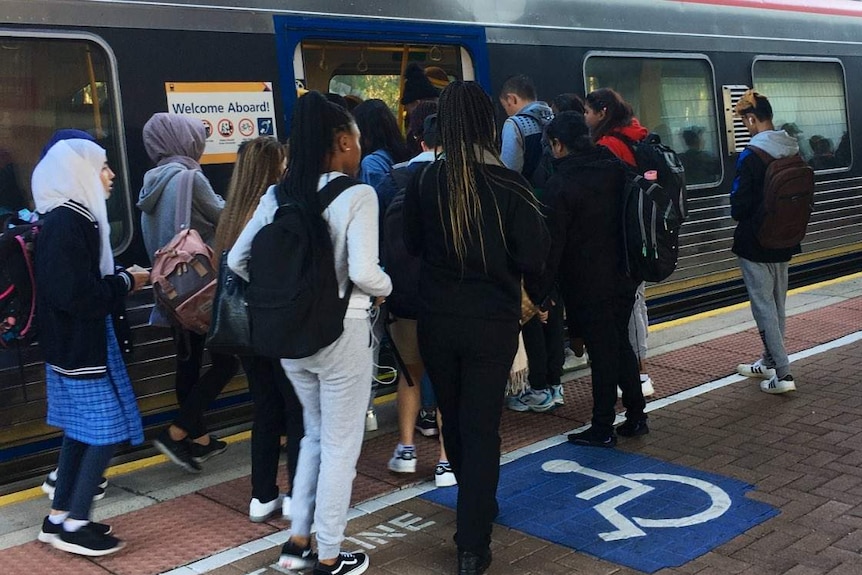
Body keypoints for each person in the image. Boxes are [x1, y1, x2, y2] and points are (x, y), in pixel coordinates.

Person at [229, 91, 391, 575]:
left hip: (289, 340)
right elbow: (364, 272)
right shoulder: (358, 195)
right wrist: (387, 285)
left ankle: (298, 541)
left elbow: (237, 260)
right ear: (342, 142)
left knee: (315, 437)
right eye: (355, 143)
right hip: (343, 336)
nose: (358, 152)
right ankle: (328, 553)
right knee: (342, 446)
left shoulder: (277, 195)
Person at [404, 81, 549, 575]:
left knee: (454, 417)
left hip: (437, 321)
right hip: (492, 323)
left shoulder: (422, 181)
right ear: (489, 124)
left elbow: (413, 245)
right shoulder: (511, 185)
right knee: (482, 426)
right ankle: (472, 540)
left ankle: (476, 507)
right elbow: (535, 257)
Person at [32, 134, 149, 556]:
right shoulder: (69, 222)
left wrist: (122, 279)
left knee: (81, 433)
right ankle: (77, 523)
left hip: (75, 346)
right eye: (102, 166)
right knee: (102, 431)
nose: (111, 174)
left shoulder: (70, 218)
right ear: (79, 172)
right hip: (79, 348)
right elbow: (77, 295)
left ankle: (59, 517)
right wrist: (126, 281)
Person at [137, 113, 239, 473]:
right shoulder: (190, 178)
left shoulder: (150, 183)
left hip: (171, 292)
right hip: (200, 289)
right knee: (228, 361)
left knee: (188, 362)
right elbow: (225, 217)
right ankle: (177, 432)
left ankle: (199, 440)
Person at [540, 111, 648, 447]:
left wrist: (542, 291)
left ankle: (603, 426)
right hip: (624, 274)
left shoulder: (560, 184)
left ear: (559, 145)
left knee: (602, 353)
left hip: (587, 282)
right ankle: (635, 414)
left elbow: (553, 246)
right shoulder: (615, 167)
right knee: (619, 344)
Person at [211, 136, 304, 523]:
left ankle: (262, 495)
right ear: (272, 169)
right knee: (297, 410)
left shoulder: (231, 215)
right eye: (281, 163)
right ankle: (300, 495)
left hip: (242, 333)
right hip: (274, 328)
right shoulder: (272, 212)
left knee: (265, 408)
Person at [379, 107, 455, 488]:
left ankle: (406, 449)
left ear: (422, 142)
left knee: (410, 375)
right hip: (442, 301)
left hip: (402, 299)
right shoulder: (453, 182)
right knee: (445, 379)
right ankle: (445, 461)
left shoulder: (393, 180)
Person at [584, 88, 654, 398]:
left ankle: (638, 375)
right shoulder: (634, 136)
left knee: (631, 309)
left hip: (622, 238)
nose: (585, 118)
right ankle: (634, 373)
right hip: (639, 232)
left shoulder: (609, 145)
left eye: (588, 112)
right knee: (635, 303)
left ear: (602, 112)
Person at [498, 76, 562, 413]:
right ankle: (554, 383)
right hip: (556, 217)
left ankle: (535, 387)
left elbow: (509, 174)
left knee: (531, 306)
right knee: (552, 298)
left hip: (529, 218)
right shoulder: (554, 119)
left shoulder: (515, 125)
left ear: (511, 100)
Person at [732, 90, 800, 394]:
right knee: (777, 303)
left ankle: (783, 374)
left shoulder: (752, 154)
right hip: (785, 237)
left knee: (763, 307)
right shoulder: (791, 148)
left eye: (745, 121)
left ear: (751, 119)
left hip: (755, 242)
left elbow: (739, 206)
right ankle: (770, 360)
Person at [351, 98, 410, 431]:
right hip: (400, 257)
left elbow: (370, 212)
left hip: (380, 261)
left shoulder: (371, 163)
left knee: (371, 338)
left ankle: (367, 409)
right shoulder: (399, 157)